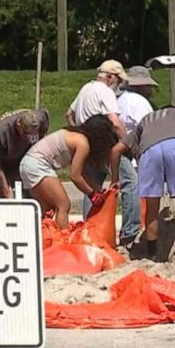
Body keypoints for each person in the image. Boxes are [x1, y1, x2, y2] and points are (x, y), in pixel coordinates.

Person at [110, 107, 175, 261]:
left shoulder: (145, 121)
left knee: (152, 206)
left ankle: (153, 254)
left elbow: (115, 150)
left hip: (148, 152)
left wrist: (115, 179)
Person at [66, 60, 141, 246]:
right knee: (130, 182)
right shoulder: (105, 91)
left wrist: (80, 131)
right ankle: (129, 233)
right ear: (110, 77)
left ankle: (90, 231)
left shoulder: (86, 88)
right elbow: (115, 122)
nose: (119, 84)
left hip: (87, 145)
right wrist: (127, 143)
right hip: (105, 145)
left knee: (93, 187)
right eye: (118, 80)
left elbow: (69, 113)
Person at [19, 115, 118, 230]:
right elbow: (75, 176)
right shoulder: (83, 144)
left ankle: (41, 239)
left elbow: (84, 172)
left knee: (47, 210)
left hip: (28, 164)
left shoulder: (76, 136)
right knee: (63, 205)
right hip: (37, 165)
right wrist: (92, 194)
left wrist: (98, 190)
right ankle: (62, 240)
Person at [114, 65, 158, 247]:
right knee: (136, 190)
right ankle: (132, 232)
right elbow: (149, 127)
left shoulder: (121, 99)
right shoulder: (139, 102)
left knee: (128, 191)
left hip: (122, 150)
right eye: (148, 86)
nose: (151, 90)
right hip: (136, 153)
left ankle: (129, 230)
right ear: (141, 86)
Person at [0, 109, 49, 198]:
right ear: (18, 126)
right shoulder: (1, 133)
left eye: (33, 135)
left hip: (23, 156)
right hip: (0, 160)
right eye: (26, 135)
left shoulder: (41, 118)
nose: (29, 139)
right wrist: (6, 190)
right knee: (3, 195)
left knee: (36, 192)